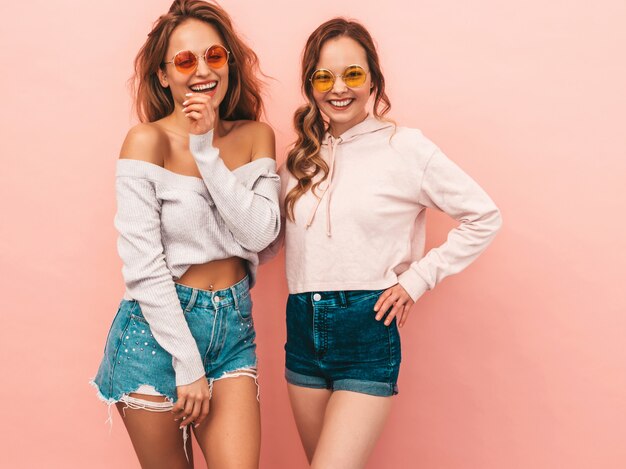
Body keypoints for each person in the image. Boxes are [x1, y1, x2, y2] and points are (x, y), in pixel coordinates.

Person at [268, 18, 502, 468]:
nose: (339, 88)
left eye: (352, 74)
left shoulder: (406, 148)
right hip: (301, 327)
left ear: (373, 78)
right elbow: (268, 242)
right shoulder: (300, 160)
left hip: (367, 328)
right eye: (323, 76)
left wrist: (417, 280)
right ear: (310, 85)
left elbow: (484, 215)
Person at [91, 1, 280, 467]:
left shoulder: (256, 135)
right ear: (163, 74)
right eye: (185, 60)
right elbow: (144, 269)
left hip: (231, 329)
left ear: (228, 63)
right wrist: (187, 364)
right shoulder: (145, 141)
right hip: (155, 334)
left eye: (214, 56)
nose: (202, 71)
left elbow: (259, 235)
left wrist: (206, 149)